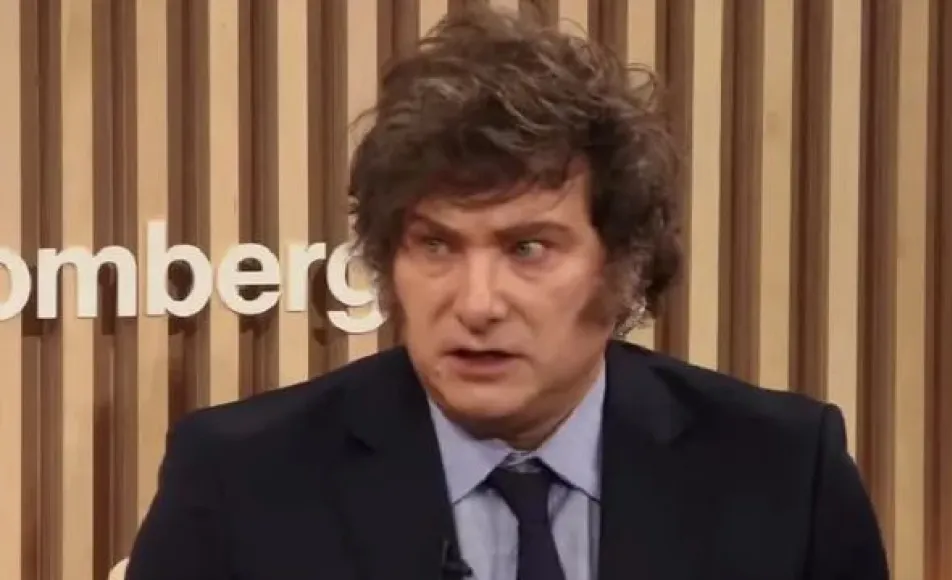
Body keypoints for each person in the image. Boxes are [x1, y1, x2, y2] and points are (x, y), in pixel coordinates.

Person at [124, 5, 889, 580]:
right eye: (436, 245)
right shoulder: (239, 481)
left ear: (622, 265)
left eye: (528, 249)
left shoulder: (784, 476)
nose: (477, 303)